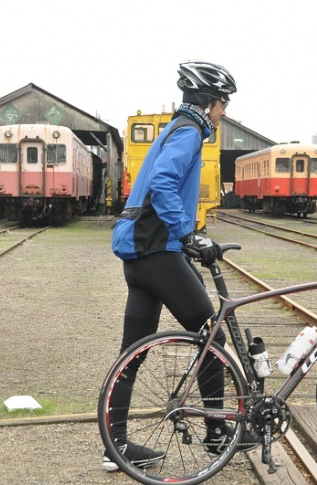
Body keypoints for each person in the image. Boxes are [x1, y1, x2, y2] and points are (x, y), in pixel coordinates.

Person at [105, 60, 258, 472]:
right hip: (157, 251)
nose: (224, 111)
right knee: (212, 338)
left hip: (140, 255)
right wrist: (187, 235)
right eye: (223, 103)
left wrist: (183, 237)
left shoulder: (173, 130)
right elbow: (164, 183)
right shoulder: (189, 132)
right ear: (208, 102)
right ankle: (215, 433)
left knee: (131, 354)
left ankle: (114, 445)